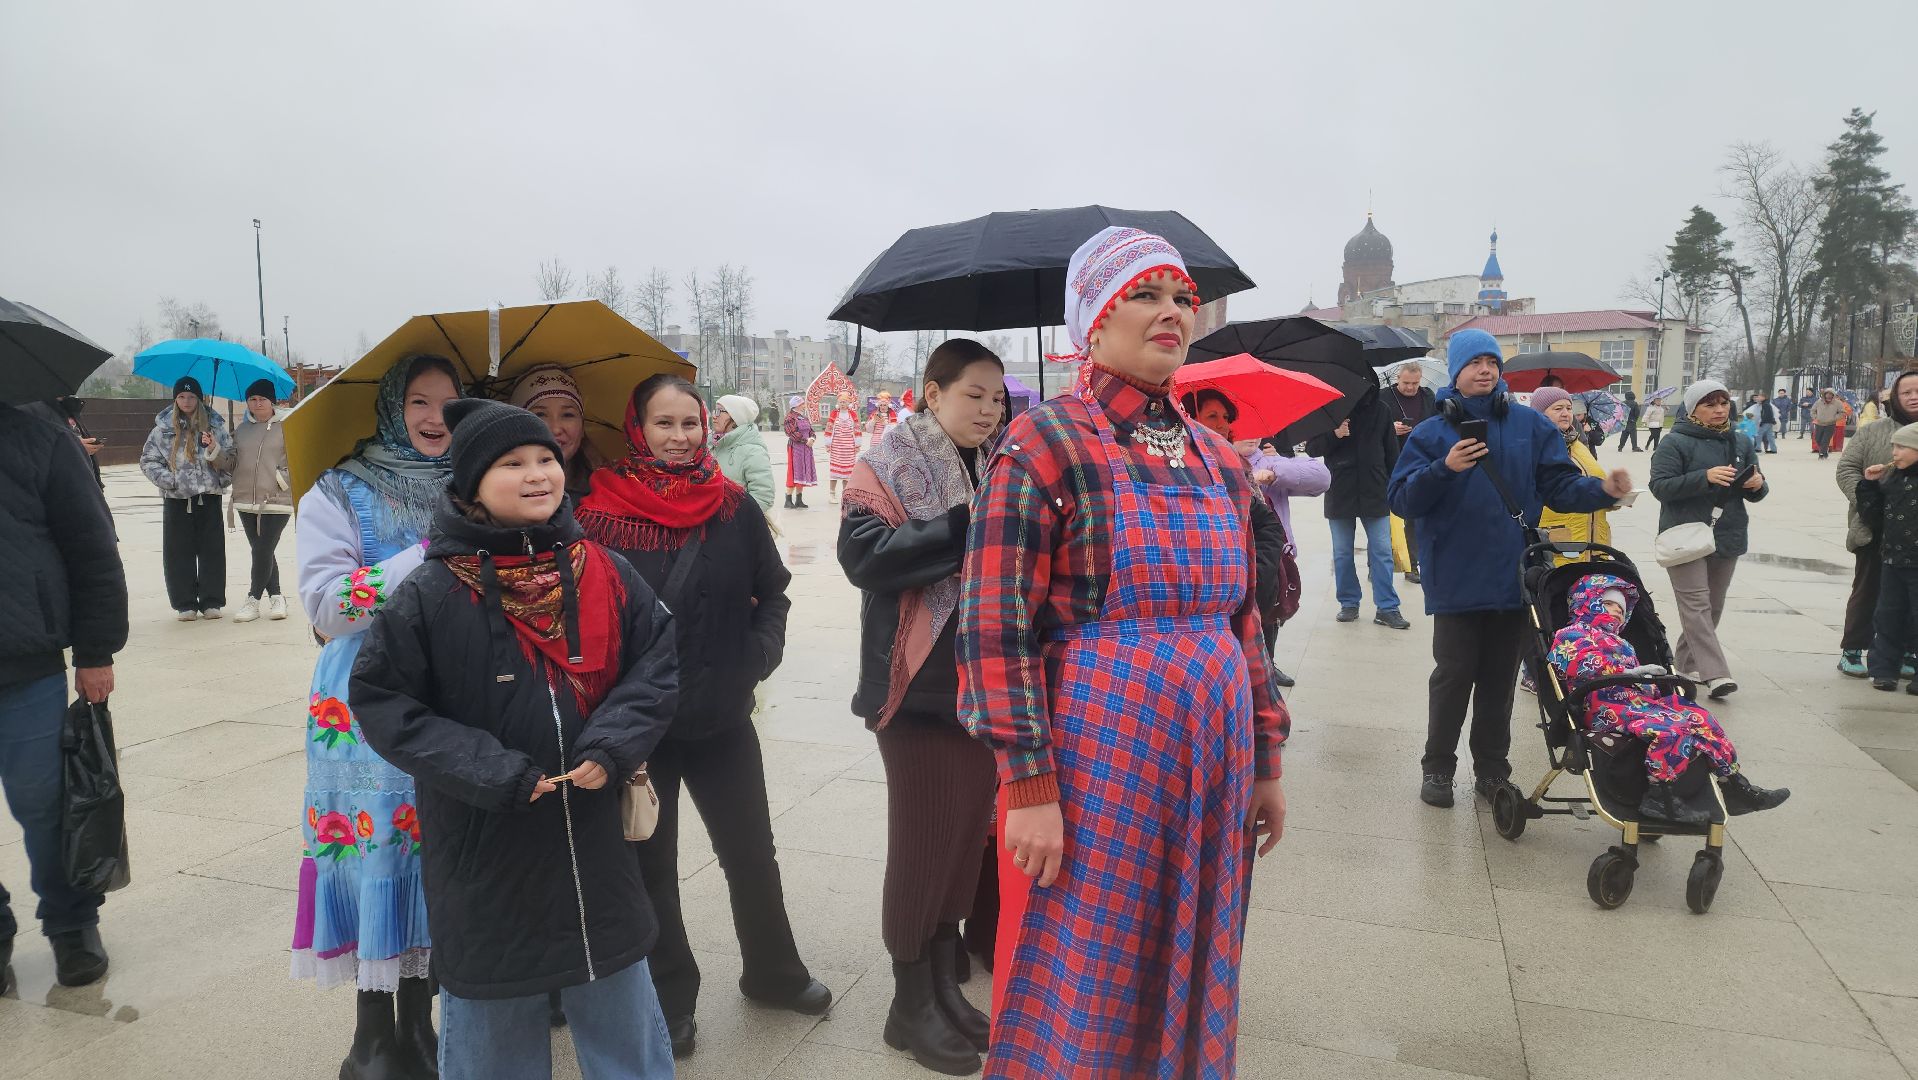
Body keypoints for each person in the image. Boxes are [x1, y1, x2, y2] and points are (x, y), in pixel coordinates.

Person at [958, 227, 1289, 1077]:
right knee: (1093, 966)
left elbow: (1242, 619)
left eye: (1181, 296)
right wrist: (1027, 785)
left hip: (1213, 754)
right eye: (1145, 295)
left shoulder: (1216, 455)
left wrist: (1266, 756)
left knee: (1199, 945)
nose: (1173, 312)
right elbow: (994, 628)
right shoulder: (1043, 444)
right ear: (1092, 324)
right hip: (1102, 752)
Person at [352, 398, 679, 1080]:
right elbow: (384, 700)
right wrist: (491, 771)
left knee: (624, 1026)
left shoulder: (605, 571)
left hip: (594, 850)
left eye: (545, 460)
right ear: (472, 485)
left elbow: (656, 664)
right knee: (493, 1037)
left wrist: (612, 745)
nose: (538, 474)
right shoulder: (433, 592)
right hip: (485, 855)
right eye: (512, 463)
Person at [576, 374, 827, 1059]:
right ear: (639, 427)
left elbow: (772, 591)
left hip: (722, 715)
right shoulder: (598, 514)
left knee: (751, 853)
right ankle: (669, 997)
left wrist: (757, 657)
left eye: (692, 422)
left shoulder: (733, 508)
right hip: (642, 729)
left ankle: (774, 972)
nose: (682, 436)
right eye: (665, 423)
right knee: (652, 862)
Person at [290, 355, 461, 1078]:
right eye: (418, 402)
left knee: (432, 854)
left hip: (447, 688)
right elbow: (329, 607)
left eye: (448, 406)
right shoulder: (339, 488)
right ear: (392, 407)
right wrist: (426, 553)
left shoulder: (472, 483)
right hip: (361, 698)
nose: (433, 419)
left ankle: (419, 1025)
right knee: (372, 853)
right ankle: (370, 1038)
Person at [839, 339, 1007, 1075]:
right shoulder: (889, 463)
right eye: (974, 394)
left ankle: (943, 986)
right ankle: (908, 1006)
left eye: (998, 398)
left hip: (985, 683)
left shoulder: (999, 464)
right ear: (932, 393)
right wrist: (967, 525)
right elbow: (865, 557)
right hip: (916, 693)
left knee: (963, 842)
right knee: (921, 847)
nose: (988, 409)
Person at [1389, 329, 1629, 809]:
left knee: (1499, 680)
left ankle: (1492, 770)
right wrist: (1445, 468)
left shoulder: (1530, 427)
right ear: (1457, 372)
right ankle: (1437, 767)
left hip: (1513, 575)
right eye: (1474, 362)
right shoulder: (1432, 433)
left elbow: (1559, 486)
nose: (1485, 369)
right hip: (1455, 576)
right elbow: (1400, 498)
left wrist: (1603, 491)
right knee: (1453, 675)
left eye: (1492, 362)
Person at [0, 402, 127, 994]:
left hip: (24, 661)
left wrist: (95, 650)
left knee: (45, 805)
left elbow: (91, 546)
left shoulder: (38, 433)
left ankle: (71, 924)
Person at [1547, 574, 1789, 821]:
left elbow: (1639, 681)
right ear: (1589, 603)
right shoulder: (1571, 634)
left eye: (1621, 608)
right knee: (1670, 729)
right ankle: (1659, 795)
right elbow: (1578, 665)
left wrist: (1650, 682)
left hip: (1637, 702)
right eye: (1609, 604)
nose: (1617, 611)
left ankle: (1735, 785)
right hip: (1603, 705)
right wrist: (1626, 673)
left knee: (1699, 718)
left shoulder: (1624, 643)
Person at [1647, 379, 1767, 701]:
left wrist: (1756, 485)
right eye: (1709, 404)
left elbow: (1756, 489)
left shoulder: (1740, 442)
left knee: (1712, 606)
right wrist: (1704, 477)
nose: (1719, 409)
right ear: (1693, 409)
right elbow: (1660, 486)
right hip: (1684, 533)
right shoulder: (1675, 443)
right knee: (1696, 604)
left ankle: (1686, 664)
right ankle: (1717, 674)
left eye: (1723, 403)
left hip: (1727, 532)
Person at [1184, 389, 1312, 687]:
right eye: (1211, 416)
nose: (1221, 424)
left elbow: (1265, 522)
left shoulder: (1233, 463)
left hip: (1245, 580)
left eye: (1225, 417)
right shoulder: (1174, 465)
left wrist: (1261, 568)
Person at [1835, 370, 1918, 676]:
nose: (1913, 396)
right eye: (1906, 391)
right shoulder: (1874, 431)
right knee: (1869, 590)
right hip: (1875, 527)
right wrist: (1868, 503)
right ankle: (1854, 648)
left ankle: (1909, 652)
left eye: (1917, 390)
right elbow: (1847, 469)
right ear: (1894, 396)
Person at [1307, 387, 1409, 629]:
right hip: (1340, 490)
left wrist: (1397, 483)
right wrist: (1335, 434)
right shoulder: (1329, 409)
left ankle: (1387, 607)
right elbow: (1312, 449)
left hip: (1375, 489)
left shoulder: (1381, 409)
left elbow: (1391, 451)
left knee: (1382, 551)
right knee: (1342, 552)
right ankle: (1349, 603)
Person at [139, 375, 235, 620]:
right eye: (181, 396)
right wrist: (169, 481)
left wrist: (213, 450)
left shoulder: (214, 427)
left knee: (212, 551)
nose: (187, 401)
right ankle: (185, 603)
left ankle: (212, 600)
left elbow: (231, 458)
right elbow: (148, 460)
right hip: (177, 500)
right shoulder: (162, 430)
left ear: (199, 399)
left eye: (192, 396)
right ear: (175, 399)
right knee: (177, 552)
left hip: (209, 497)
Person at [1857, 424, 1918, 694]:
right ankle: (1883, 670)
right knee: (1887, 615)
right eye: (1893, 446)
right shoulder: (1892, 477)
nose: (1895, 452)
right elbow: (1873, 514)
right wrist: (1869, 485)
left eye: (1902, 446)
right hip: (1893, 560)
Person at [230, 379, 292, 623]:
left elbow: (297, 458)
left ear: (271, 401)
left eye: (262, 399)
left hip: (277, 498)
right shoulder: (242, 430)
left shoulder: (288, 426)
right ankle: (277, 597)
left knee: (263, 548)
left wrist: (281, 480)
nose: (257, 404)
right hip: (246, 498)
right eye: (252, 399)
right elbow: (231, 463)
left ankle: (253, 599)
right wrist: (213, 448)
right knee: (261, 550)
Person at [1529, 387, 1613, 548]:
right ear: (1538, 414)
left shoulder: (1578, 444)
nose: (1566, 413)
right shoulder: (1534, 446)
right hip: (1559, 543)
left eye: (1568, 408)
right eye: (1558, 408)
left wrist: (1610, 494)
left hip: (1592, 541)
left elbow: (1588, 482)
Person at [509, 364, 598, 496]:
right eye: (540, 415)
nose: (555, 429)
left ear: (582, 427)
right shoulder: (501, 497)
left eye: (568, 415)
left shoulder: (605, 493)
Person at [1387, 364, 1437, 581]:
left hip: (1419, 462)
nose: (1410, 387)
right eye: (1406, 383)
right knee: (1384, 519)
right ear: (1398, 379)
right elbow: (1371, 428)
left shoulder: (1428, 397)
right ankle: (1378, 564)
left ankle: (1412, 565)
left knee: (1413, 517)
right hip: (1390, 461)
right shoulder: (1384, 397)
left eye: (1415, 383)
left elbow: (1438, 422)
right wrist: (1390, 429)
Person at [19, 395, 104, 489]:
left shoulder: (70, 406)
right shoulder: (31, 409)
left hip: (83, 484)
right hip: (58, 489)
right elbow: (31, 449)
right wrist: (73, 448)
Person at [711, 393, 776, 512]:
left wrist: (736, 520)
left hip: (734, 525)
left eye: (720, 411)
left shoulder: (753, 451)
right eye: (715, 410)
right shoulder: (711, 445)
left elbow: (763, 497)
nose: (714, 416)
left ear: (736, 416)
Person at [783, 394, 818, 509]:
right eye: (802, 404)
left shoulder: (804, 417)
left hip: (806, 448)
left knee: (802, 471)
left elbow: (811, 430)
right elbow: (791, 433)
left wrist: (812, 438)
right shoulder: (789, 418)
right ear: (797, 405)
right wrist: (805, 440)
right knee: (794, 472)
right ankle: (788, 499)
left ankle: (799, 499)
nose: (804, 406)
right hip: (795, 448)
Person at [827, 390, 862, 502]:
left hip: (849, 447)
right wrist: (828, 444)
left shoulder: (852, 415)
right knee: (834, 473)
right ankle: (832, 494)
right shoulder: (834, 414)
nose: (843, 404)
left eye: (845, 402)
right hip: (837, 447)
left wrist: (857, 445)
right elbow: (829, 428)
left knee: (847, 474)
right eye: (841, 402)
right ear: (838, 403)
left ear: (848, 404)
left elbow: (857, 429)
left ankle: (845, 495)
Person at [1810, 388, 1845, 459]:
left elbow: (1842, 413)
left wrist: (1834, 418)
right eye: (1827, 394)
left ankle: (1821, 454)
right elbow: (1813, 410)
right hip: (1819, 423)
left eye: (1831, 394)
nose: (1829, 396)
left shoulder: (1838, 403)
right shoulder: (1819, 402)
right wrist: (1816, 417)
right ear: (1824, 395)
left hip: (1830, 424)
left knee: (1825, 439)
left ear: (1833, 395)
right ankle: (1825, 451)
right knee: (1817, 439)